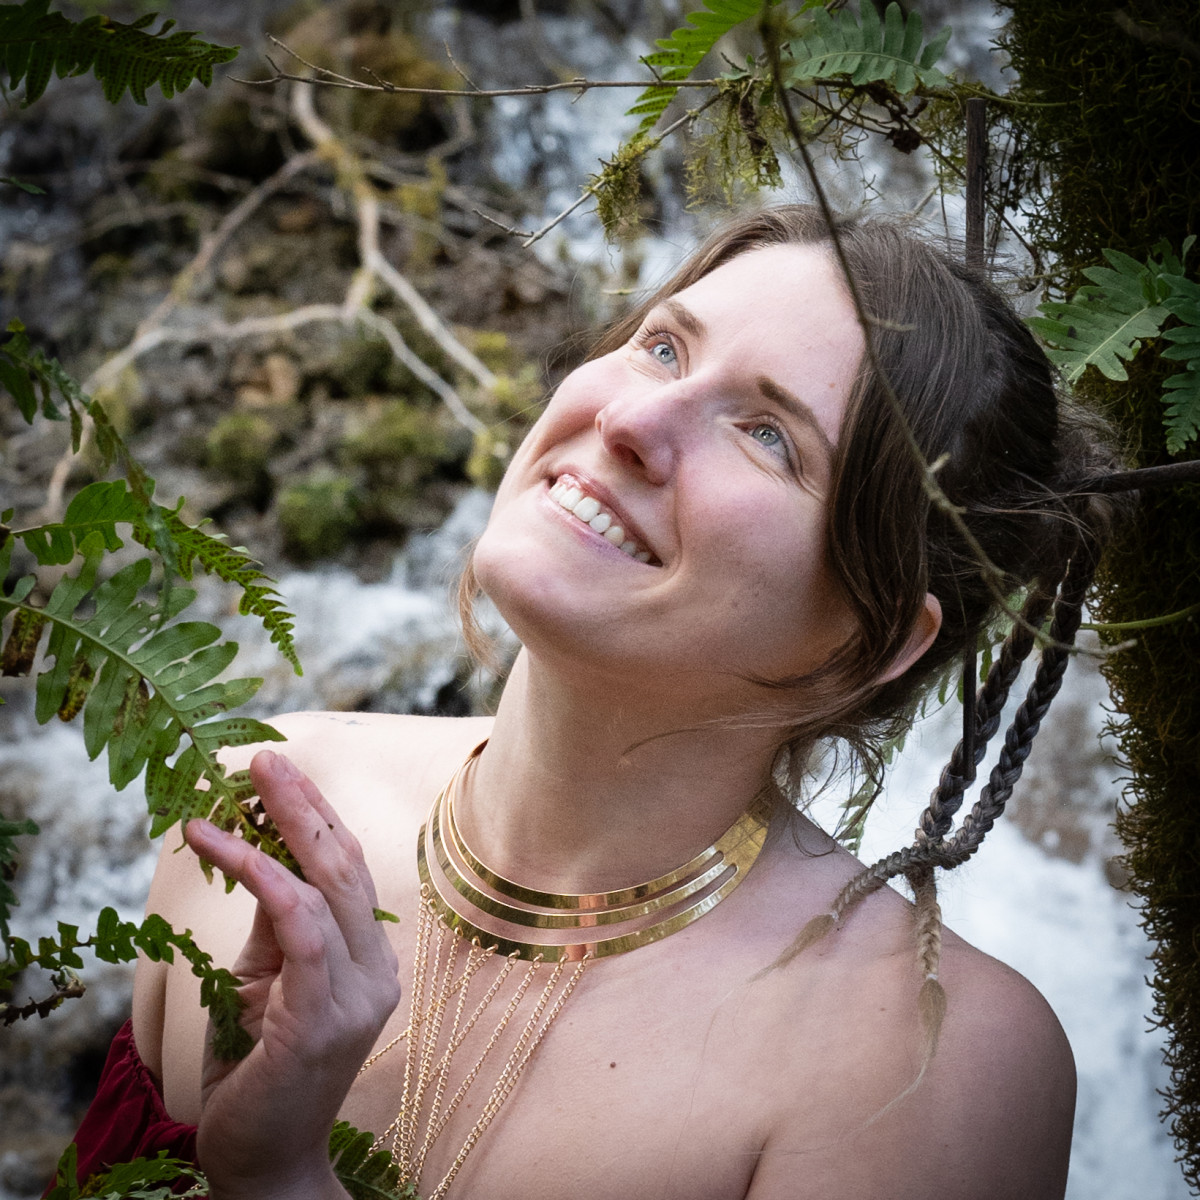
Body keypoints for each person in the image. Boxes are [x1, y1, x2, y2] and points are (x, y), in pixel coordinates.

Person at [88, 205, 1109, 1199]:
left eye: (767, 435)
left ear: (873, 636)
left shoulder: (923, 1067)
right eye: (663, 349)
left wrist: (275, 1181)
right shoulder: (259, 813)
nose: (628, 421)